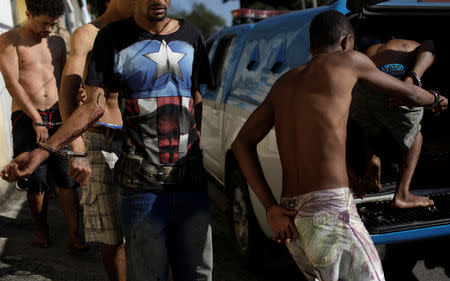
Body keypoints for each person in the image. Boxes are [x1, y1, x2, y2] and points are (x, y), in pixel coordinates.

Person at [0, 0, 214, 280]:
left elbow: (196, 98)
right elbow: (91, 104)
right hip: (136, 175)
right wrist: (48, 151)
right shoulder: (107, 38)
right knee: (133, 257)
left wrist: (196, 150)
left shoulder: (192, 36)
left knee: (197, 272)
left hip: (188, 180)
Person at [231, 10, 447, 281]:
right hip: (330, 216)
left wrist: (270, 207)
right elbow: (410, 93)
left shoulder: (283, 83)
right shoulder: (349, 61)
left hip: (292, 216)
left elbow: (241, 143)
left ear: (311, 47)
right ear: (346, 42)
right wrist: (436, 98)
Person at [0, 0, 87, 251]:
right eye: (45, 23)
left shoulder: (57, 42)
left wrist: (77, 95)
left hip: (58, 115)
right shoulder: (9, 40)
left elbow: (62, 78)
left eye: (54, 23)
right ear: (28, 14)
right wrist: (36, 118)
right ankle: (42, 232)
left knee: (66, 179)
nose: (50, 29)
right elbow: (12, 83)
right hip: (27, 118)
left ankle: (74, 236)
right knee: (35, 179)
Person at [58, 0, 135, 280]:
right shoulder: (87, 34)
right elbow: (67, 94)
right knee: (112, 237)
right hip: (99, 140)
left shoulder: (146, 34)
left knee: (145, 230)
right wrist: (76, 148)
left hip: (140, 143)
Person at [350, 39, 437, 208]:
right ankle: (402, 194)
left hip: (361, 91)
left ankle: (372, 159)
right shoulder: (413, 45)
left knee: (368, 127)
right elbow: (429, 46)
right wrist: (413, 78)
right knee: (415, 135)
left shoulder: (371, 49)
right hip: (395, 80)